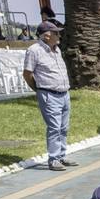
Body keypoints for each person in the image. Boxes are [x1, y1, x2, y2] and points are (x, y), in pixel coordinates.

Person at [23, 20, 78, 171]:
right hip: (49, 94)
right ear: (46, 36)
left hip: (64, 94)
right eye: (55, 33)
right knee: (54, 127)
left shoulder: (56, 49)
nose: (58, 35)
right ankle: (53, 159)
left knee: (63, 127)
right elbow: (27, 74)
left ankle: (61, 156)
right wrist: (39, 89)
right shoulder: (34, 50)